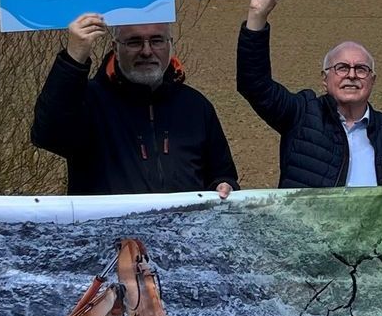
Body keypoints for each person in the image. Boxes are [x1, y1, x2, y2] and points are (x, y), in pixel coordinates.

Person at [238, 0, 382, 192]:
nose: (351, 75)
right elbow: (254, 85)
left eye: (361, 69)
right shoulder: (301, 115)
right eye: (341, 68)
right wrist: (257, 17)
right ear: (324, 79)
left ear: (372, 80)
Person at [31, 12, 238, 197]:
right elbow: (48, 134)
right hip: (109, 238)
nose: (147, 51)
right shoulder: (89, 101)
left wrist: (224, 185)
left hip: (185, 237)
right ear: (115, 47)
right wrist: (74, 57)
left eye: (157, 40)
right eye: (134, 42)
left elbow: (222, 174)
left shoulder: (196, 106)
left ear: (170, 45)